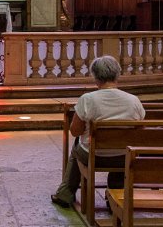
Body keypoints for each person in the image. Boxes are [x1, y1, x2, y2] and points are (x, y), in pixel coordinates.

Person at [51, 55, 145, 208]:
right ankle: (115, 198)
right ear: (117, 75)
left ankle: (65, 193)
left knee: (77, 146)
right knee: (122, 150)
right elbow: (139, 131)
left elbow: (75, 131)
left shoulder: (88, 99)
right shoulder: (133, 100)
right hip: (123, 157)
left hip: (94, 156)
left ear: (95, 77)